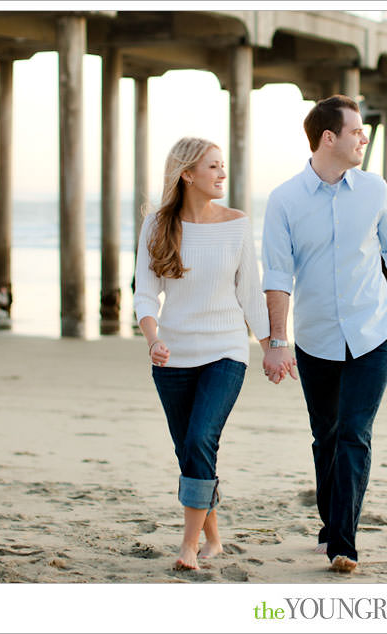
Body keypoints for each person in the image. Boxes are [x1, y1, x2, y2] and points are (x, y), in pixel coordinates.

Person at [261, 95, 387, 573]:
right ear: (328, 138)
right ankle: (331, 524)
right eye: (357, 131)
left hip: (372, 331)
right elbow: (277, 276)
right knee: (326, 437)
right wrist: (277, 341)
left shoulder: (375, 190)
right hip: (316, 339)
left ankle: (343, 543)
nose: (364, 138)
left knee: (355, 433)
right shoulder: (285, 200)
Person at [134, 136, 270, 571]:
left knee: (199, 440)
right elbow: (143, 295)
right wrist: (153, 339)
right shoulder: (157, 226)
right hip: (173, 354)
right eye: (212, 167)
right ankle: (213, 538)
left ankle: (188, 546)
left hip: (226, 350)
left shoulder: (237, 224)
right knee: (190, 451)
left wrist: (272, 347)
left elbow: (250, 294)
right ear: (187, 174)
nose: (222, 174)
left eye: (222, 165)